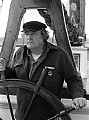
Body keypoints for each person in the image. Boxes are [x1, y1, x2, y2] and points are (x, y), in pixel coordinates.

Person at [0, 21, 87, 120]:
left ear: (43, 35)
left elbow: (73, 79)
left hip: (49, 116)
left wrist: (78, 96)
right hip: (22, 116)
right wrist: (3, 70)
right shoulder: (20, 53)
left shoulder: (59, 55)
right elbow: (13, 75)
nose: (29, 37)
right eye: (26, 34)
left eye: (34, 34)